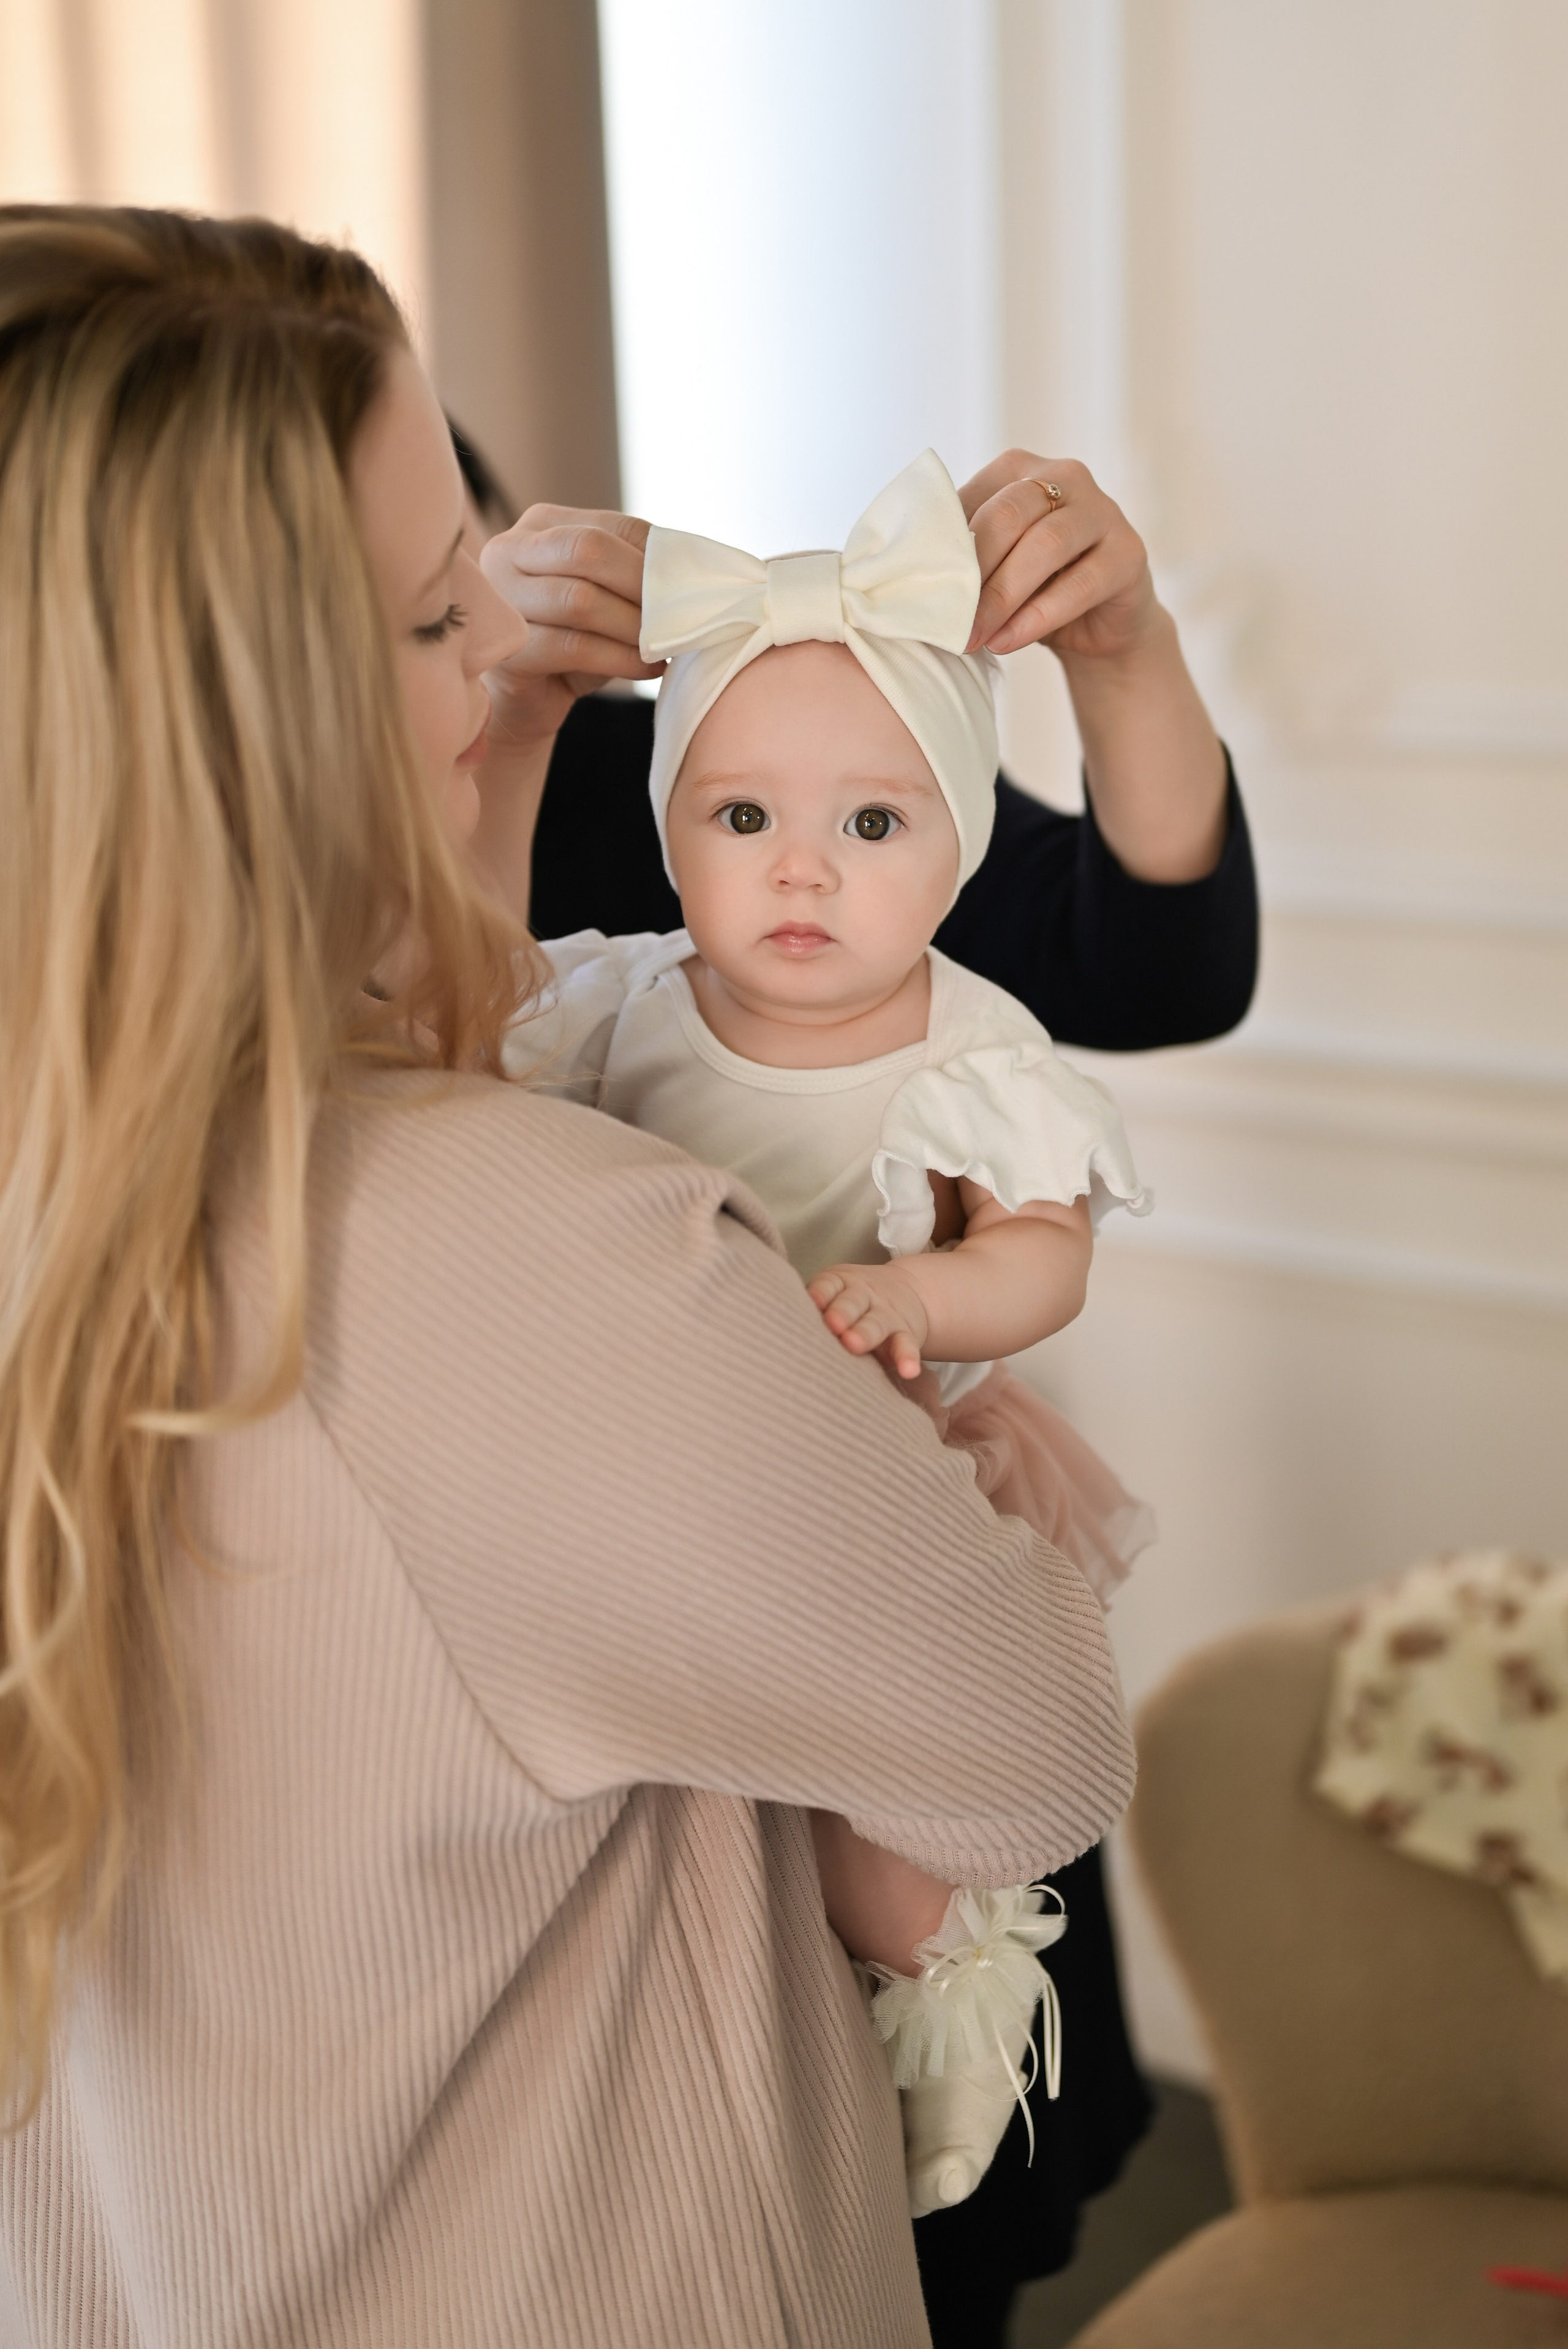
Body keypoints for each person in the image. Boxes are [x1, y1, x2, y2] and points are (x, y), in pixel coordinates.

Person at [0, 206, 1136, 2349]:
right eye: (445, 613)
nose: (508, 666)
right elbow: (1030, 1742)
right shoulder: (542, 1245)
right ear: (239, 714)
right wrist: (917, 1459)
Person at [460, 412, 1255, 2342]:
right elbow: (461, 1014)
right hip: (618, 1599)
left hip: (899, 1517)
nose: (795, 866)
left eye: (867, 827)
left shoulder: (852, 862)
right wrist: (494, 730)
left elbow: (1157, 959)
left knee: (936, 2108)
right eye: (739, 823)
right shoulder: (595, 945)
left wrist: (1123, 642)